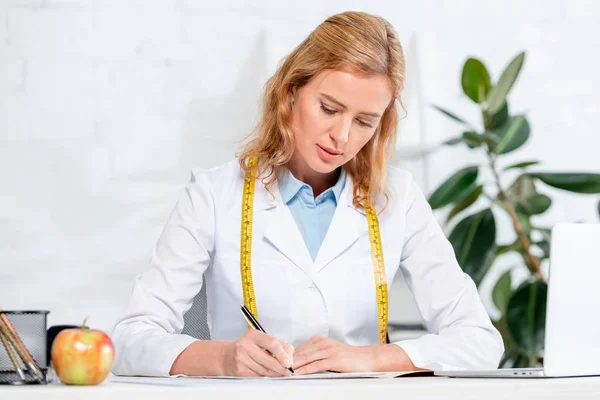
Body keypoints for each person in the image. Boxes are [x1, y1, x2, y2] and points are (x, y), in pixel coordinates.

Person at [111, 11, 504, 378]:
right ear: (291, 92)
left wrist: (366, 358)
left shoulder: (398, 198)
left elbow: (480, 342)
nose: (343, 136)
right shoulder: (213, 195)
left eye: (365, 121)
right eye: (329, 108)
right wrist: (225, 358)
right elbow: (131, 340)